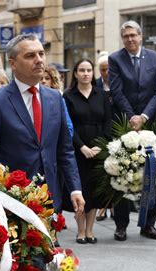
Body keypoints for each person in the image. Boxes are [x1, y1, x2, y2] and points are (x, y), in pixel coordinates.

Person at [0, 33, 84, 271]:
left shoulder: (54, 99)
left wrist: (74, 188)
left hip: (47, 200)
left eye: (41, 54)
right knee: (21, 267)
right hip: (12, 200)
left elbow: (64, 150)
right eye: (30, 55)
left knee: (35, 268)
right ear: (12, 63)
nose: (39, 60)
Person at [108, 20, 156, 241]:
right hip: (124, 122)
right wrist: (132, 116)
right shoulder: (115, 59)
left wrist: (144, 117)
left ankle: (148, 224)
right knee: (122, 171)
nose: (130, 39)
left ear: (141, 36)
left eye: (133, 35)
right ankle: (121, 225)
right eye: (126, 36)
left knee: (152, 172)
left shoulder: (154, 58)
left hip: (149, 123)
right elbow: (116, 90)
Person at [63, 59, 112, 244]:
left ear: (93, 73)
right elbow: (68, 126)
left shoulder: (103, 95)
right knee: (80, 189)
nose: (85, 73)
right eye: (81, 70)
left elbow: (108, 122)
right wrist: (81, 147)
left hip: (98, 149)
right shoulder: (68, 96)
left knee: (94, 191)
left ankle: (90, 230)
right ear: (75, 74)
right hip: (78, 149)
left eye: (89, 70)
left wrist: (100, 146)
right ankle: (81, 230)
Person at [94, 51, 113, 221]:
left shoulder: (118, 84)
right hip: (100, 131)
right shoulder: (96, 85)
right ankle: (102, 207)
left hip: (115, 128)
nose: (105, 73)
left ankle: (113, 206)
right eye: (102, 70)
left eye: (108, 69)